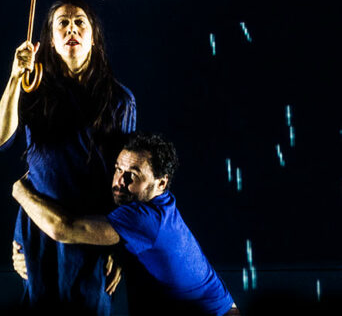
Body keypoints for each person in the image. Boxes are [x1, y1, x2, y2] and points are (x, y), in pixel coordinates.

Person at [0, 0, 136, 315]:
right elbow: (1, 138)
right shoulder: (34, 90)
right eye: (63, 23)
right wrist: (15, 78)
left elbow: (127, 181)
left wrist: (119, 246)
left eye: (80, 22)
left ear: (94, 38)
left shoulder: (120, 100)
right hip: (39, 224)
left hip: (89, 229)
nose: (72, 28)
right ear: (51, 41)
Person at [12, 133, 240, 316]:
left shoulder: (144, 218)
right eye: (118, 169)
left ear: (161, 183)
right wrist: (31, 253)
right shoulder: (156, 202)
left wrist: (20, 191)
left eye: (133, 175)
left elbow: (63, 228)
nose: (120, 181)